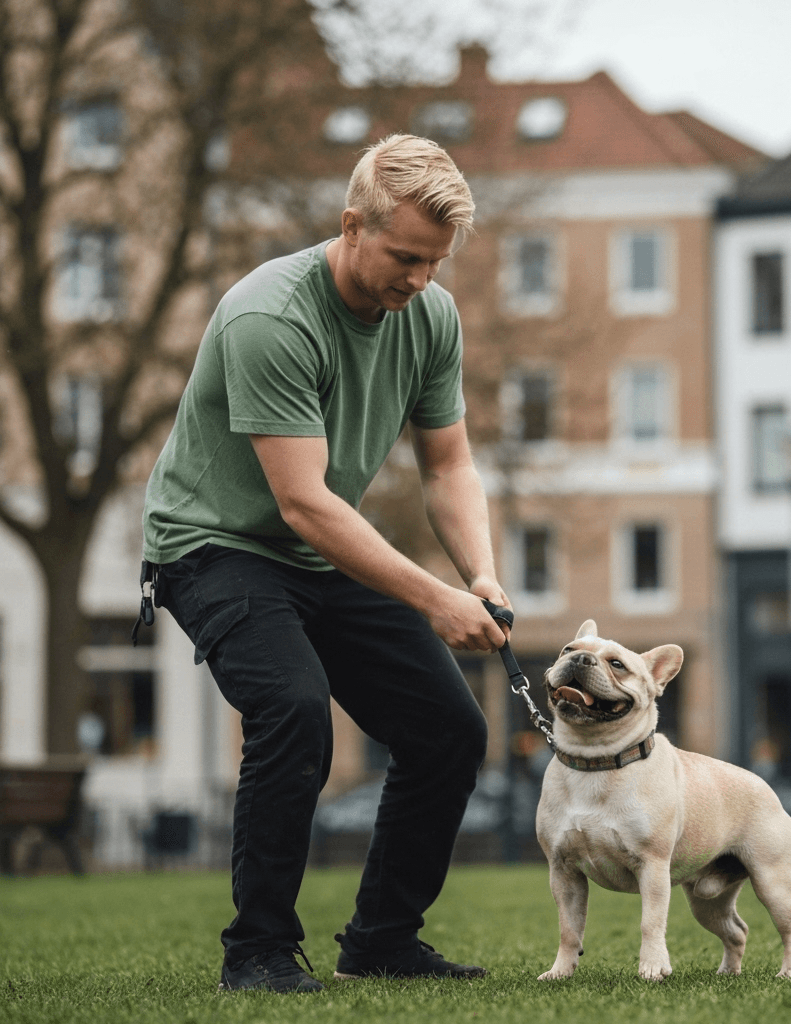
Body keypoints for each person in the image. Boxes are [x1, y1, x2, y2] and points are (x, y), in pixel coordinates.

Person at [141, 134, 511, 993]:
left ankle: (382, 939)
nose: (419, 280)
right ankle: (259, 952)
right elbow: (303, 500)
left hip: (316, 549)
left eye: (435, 263)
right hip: (216, 544)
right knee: (295, 711)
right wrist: (432, 599)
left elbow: (449, 465)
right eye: (405, 257)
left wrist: (480, 575)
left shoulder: (431, 316)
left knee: (449, 730)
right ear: (352, 225)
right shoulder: (272, 314)